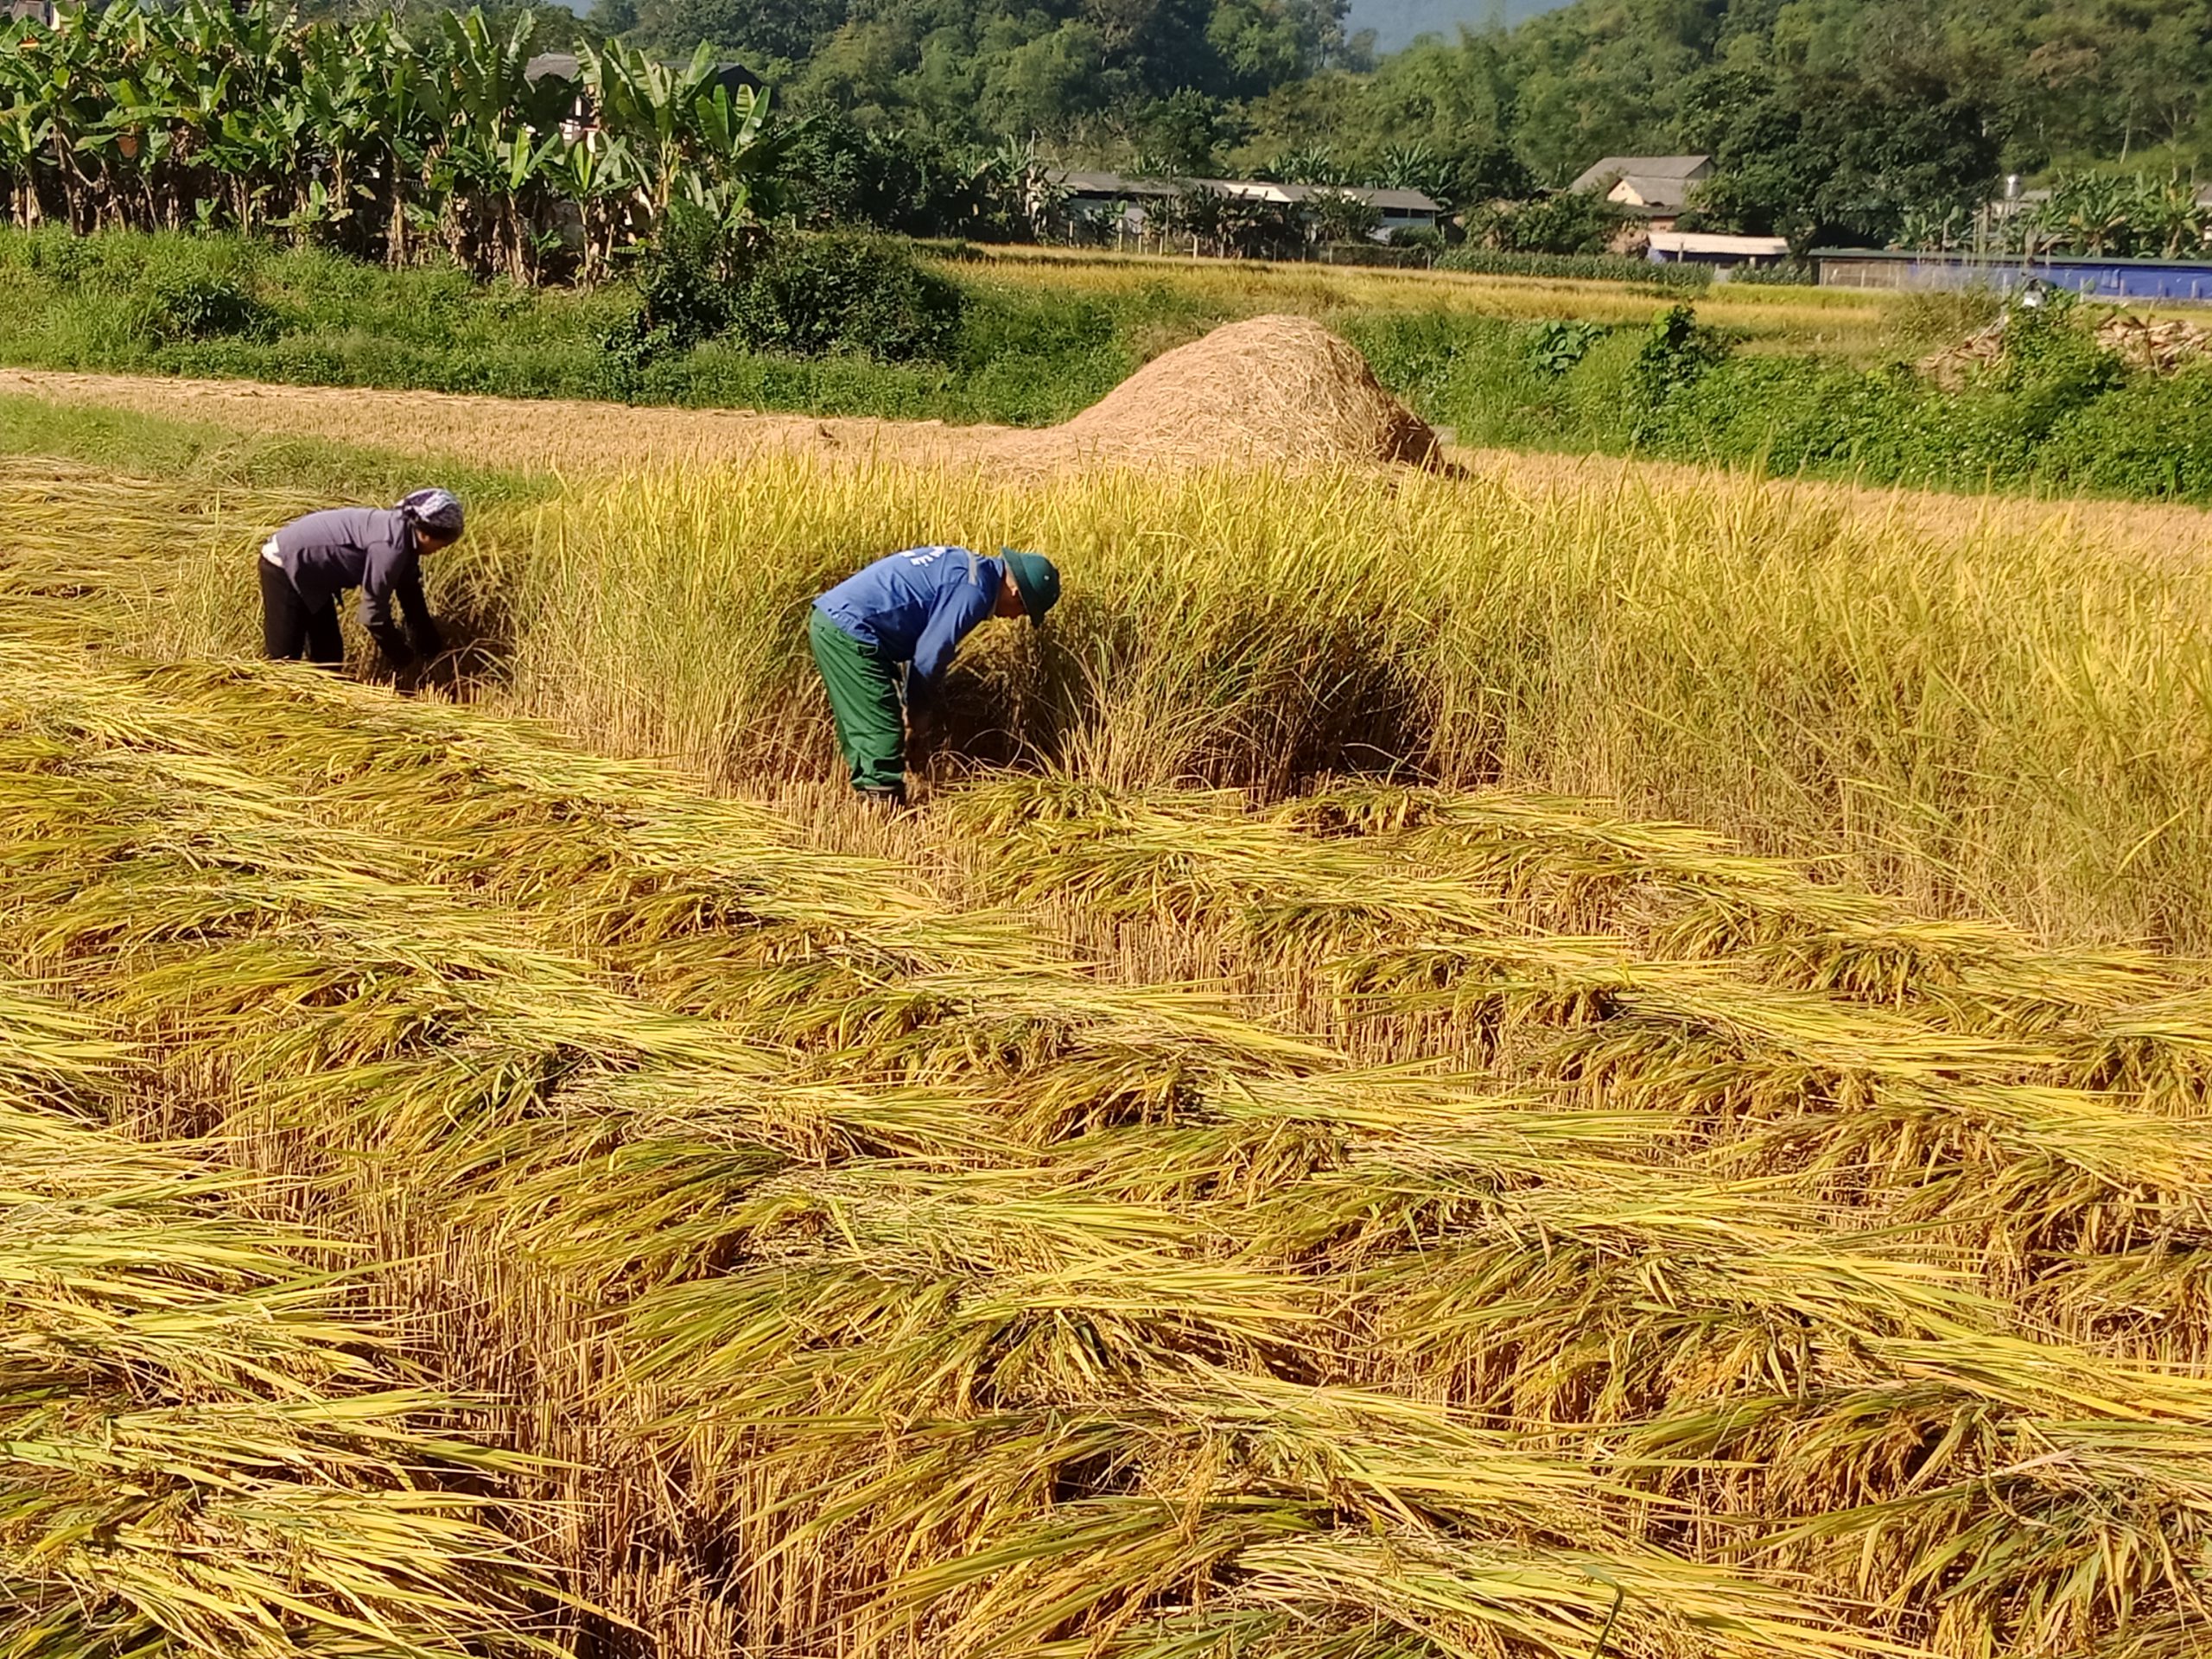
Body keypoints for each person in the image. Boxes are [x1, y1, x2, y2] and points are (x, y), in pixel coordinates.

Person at [810, 543, 1061, 807]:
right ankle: (881, 813)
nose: (1015, 618)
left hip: (835, 621)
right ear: (1016, 593)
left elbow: (920, 634)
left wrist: (911, 705)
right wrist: (918, 713)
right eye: (1024, 612)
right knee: (880, 730)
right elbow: (930, 655)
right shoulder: (974, 590)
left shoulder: (971, 567)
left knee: (867, 726)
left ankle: (869, 802)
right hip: (850, 629)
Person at [258, 488, 460, 672]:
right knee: (283, 659)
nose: (437, 552)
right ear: (425, 534)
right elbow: (373, 616)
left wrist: (428, 645)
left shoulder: (404, 534)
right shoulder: (390, 547)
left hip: (315, 575)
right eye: (441, 546)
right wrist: (402, 657)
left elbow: (410, 593)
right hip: (283, 563)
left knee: (329, 657)